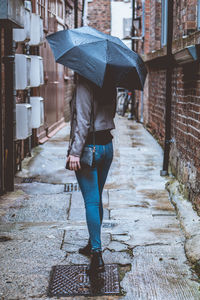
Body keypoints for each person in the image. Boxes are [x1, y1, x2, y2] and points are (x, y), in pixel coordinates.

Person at [66, 74, 116, 274]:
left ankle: (97, 254)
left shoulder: (85, 83)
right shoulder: (109, 82)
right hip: (107, 148)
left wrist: (75, 152)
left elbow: (83, 122)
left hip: (89, 149)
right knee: (97, 198)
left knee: (91, 202)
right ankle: (92, 241)